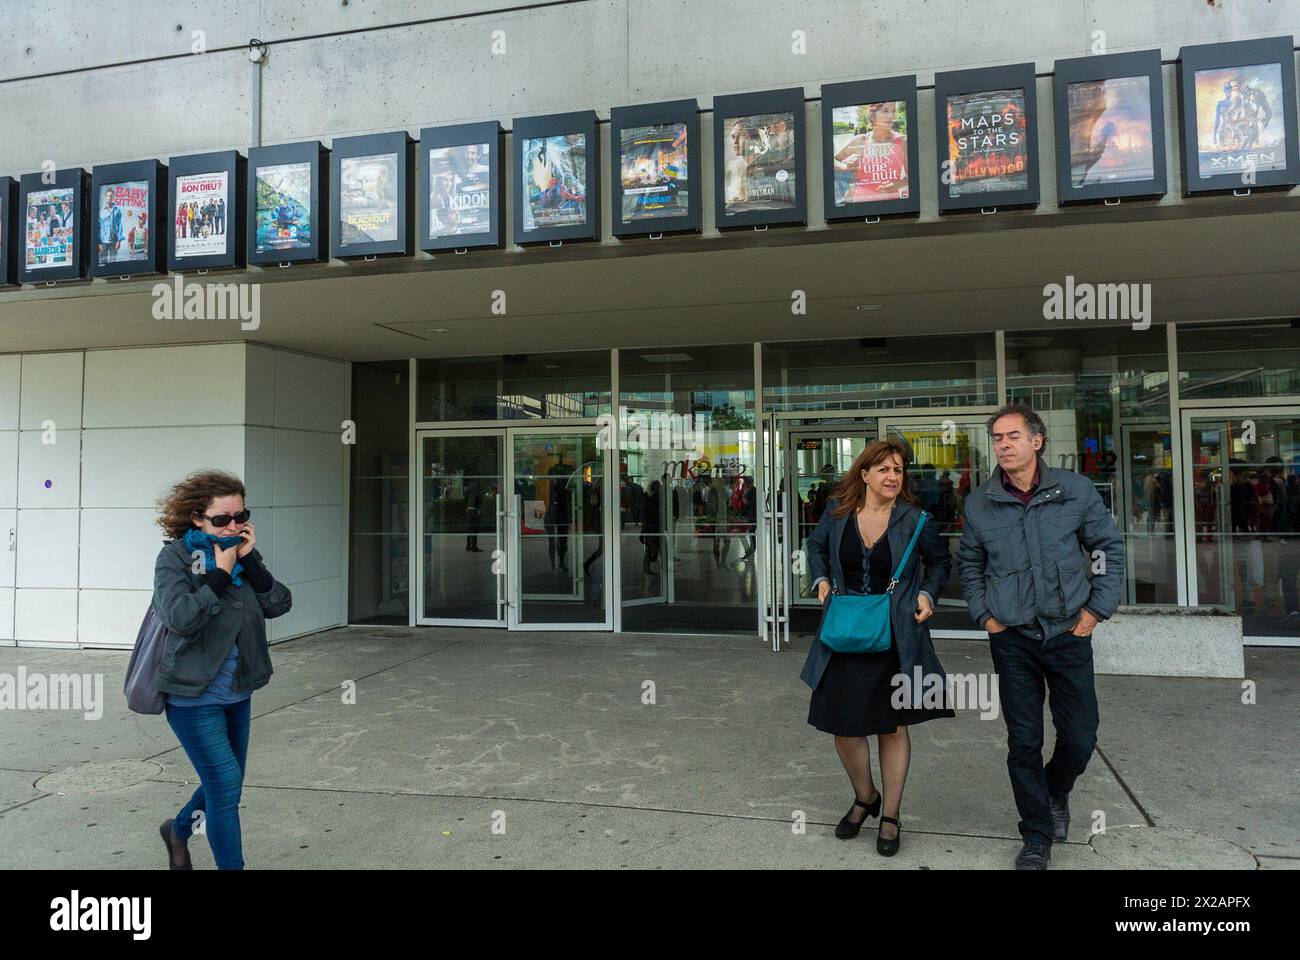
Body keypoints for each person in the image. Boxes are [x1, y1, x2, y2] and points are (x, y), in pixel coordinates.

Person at [956, 403, 1124, 870]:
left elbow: (1108, 549)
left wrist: (1096, 610)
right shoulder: (980, 502)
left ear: (1037, 440)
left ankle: (1057, 790)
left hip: (1070, 632)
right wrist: (985, 616)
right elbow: (970, 564)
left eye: (1012, 436)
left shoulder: (1074, 491)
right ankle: (1036, 835)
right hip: (1012, 638)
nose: (1003, 445)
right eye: (996, 438)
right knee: (1024, 740)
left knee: (1080, 735)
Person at [800, 438, 953, 857]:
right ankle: (866, 795)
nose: (891, 476)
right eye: (883, 469)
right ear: (864, 474)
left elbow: (940, 563)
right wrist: (822, 579)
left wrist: (927, 595)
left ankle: (891, 814)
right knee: (843, 728)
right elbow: (815, 548)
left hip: (896, 638)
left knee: (892, 726)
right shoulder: (837, 514)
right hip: (844, 635)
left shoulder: (916, 519)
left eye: (898, 470)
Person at [152, 470, 292, 870]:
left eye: (240, 515)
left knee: (223, 785)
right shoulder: (175, 558)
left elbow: (279, 604)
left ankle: (178, 831)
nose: (233, 526)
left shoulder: (242, 553)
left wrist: (247, 560)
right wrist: (220, 573)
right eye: (222, 519)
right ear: (197, 517)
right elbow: (180, 617)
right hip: (193, 694)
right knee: (226, 787)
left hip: (238, 690)